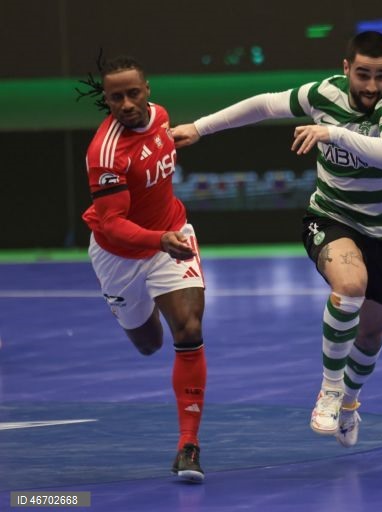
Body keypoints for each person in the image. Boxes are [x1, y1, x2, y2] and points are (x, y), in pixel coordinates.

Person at [172, 31, 382, 448]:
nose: (371, 86)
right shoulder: (324, 94)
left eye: (380, 76)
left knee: (371, 336)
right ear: (346, 69)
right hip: (332, 217)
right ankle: (330, 390)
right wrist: (199, 127)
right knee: (350, 286)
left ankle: (350, 403)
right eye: (362, 75)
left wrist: (332, 134)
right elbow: (265, 104)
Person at [79, 56, 207, 482]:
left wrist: (165, 238)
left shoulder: (161, 117)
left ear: (147, 89)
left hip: (171, 235)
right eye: (116, 97)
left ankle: (188, 446)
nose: (127, 103)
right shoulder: (104, 152)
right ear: (107, 101)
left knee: (188, 329)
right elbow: (113, 223)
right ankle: (140, 307)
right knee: (149, 343)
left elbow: (158, 150)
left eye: (133, 93)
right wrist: (157, 240)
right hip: (119, 256)